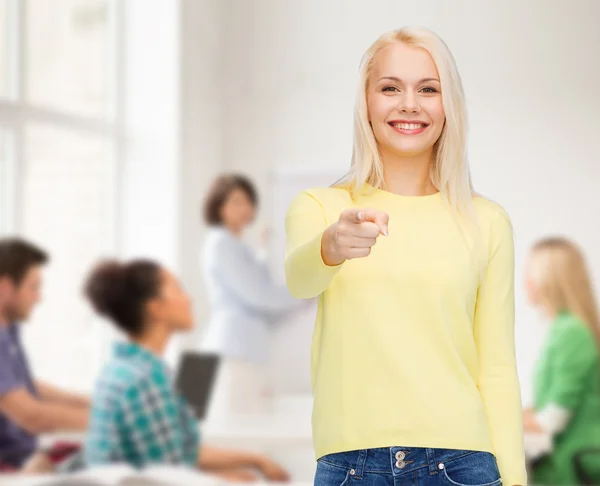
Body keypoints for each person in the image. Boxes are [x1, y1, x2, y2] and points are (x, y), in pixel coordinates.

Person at [284, 27, 526, 486]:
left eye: (428, 89)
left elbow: (497, 368)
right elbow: (299, 279)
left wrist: (515, 480)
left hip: (463, 466)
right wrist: (329, 247)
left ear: (448, 105)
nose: (409, 104)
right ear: (367, 103)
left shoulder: (487, 221)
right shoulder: (320, 208)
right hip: (350, 467)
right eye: (390, 88)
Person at [84, 258, 290, 482]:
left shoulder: (124, 369)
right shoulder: (145, 380)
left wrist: (255, 460)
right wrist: (235, 478)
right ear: (156, 308)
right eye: (178, 289)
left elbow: (182, 453)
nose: (189, 298)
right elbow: (169, 476)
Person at [201, 174, 299, 416]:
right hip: (231, 354)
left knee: (243, 430)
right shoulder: (220, 243)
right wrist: (305, 291)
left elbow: (257, 286)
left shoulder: (235, 245)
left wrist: (264, 250)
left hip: (240, 353)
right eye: (235, 202)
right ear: (218, 206)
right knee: (235, 434)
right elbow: (259, 294)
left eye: (248, 201)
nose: (244, 208)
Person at [0, 238, 90, 472]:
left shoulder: (8, 331)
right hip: (11, 464)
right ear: (6, 287)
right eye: (34, 287)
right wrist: (109, 419)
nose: (38, 297)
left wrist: (89, 402)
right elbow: (31, 416)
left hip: (24, 455)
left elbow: (25, 386)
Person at [522, 237, 600, 484]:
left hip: (573, 469)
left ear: (550, 281)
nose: (525, 283)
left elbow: (551, 420)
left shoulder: (571, 332)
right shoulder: (561, 329)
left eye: (530, 273)